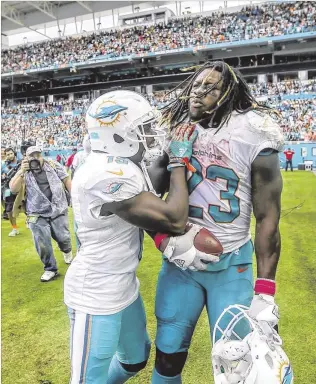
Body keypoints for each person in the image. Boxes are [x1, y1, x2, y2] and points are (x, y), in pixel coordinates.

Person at [147, 61, 284, 383]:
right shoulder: (179, 125)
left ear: (229, 94)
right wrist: (173, 152)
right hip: (182, 264)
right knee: (167, 354)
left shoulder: (254, 132)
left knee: (235, 364)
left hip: (232, 264)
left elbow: (267, 218)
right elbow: (148, 193)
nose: (198, 93)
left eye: (210, 88)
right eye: (196, 86)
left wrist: (265, 291)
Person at [63, 90, 210, 384]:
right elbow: (174, 219)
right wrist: (179, 161)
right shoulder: (102, 172)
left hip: (124, 284)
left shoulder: (122, 165)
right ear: (115, 134)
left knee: (136, 359)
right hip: (96, 292)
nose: (152, 134)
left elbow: (152, 180)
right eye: (143, 129)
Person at [9, 146, 73, 282]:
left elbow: (66, 179)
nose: (35, 158)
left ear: (42, 156)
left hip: (58, 208)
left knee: (63, 237)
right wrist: (22, 171)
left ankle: (66, 250)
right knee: (42, 242)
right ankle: (50, 269)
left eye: (37, 155)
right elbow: (13, 189)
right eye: (31, 156)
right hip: (36, 211)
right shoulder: (23, 170)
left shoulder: (53, 165)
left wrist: (74, 196)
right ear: (26, 157)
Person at [1, 148, 20, 236]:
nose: (10, 156)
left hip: (22, 189)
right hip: (9, 189)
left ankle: (29, 222)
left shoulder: (21, 163)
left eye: (11, 153)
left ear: (14, 153)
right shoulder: (3, 165)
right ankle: (15, 228)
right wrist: (3, 176)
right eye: (7, 154)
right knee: (9, 210)